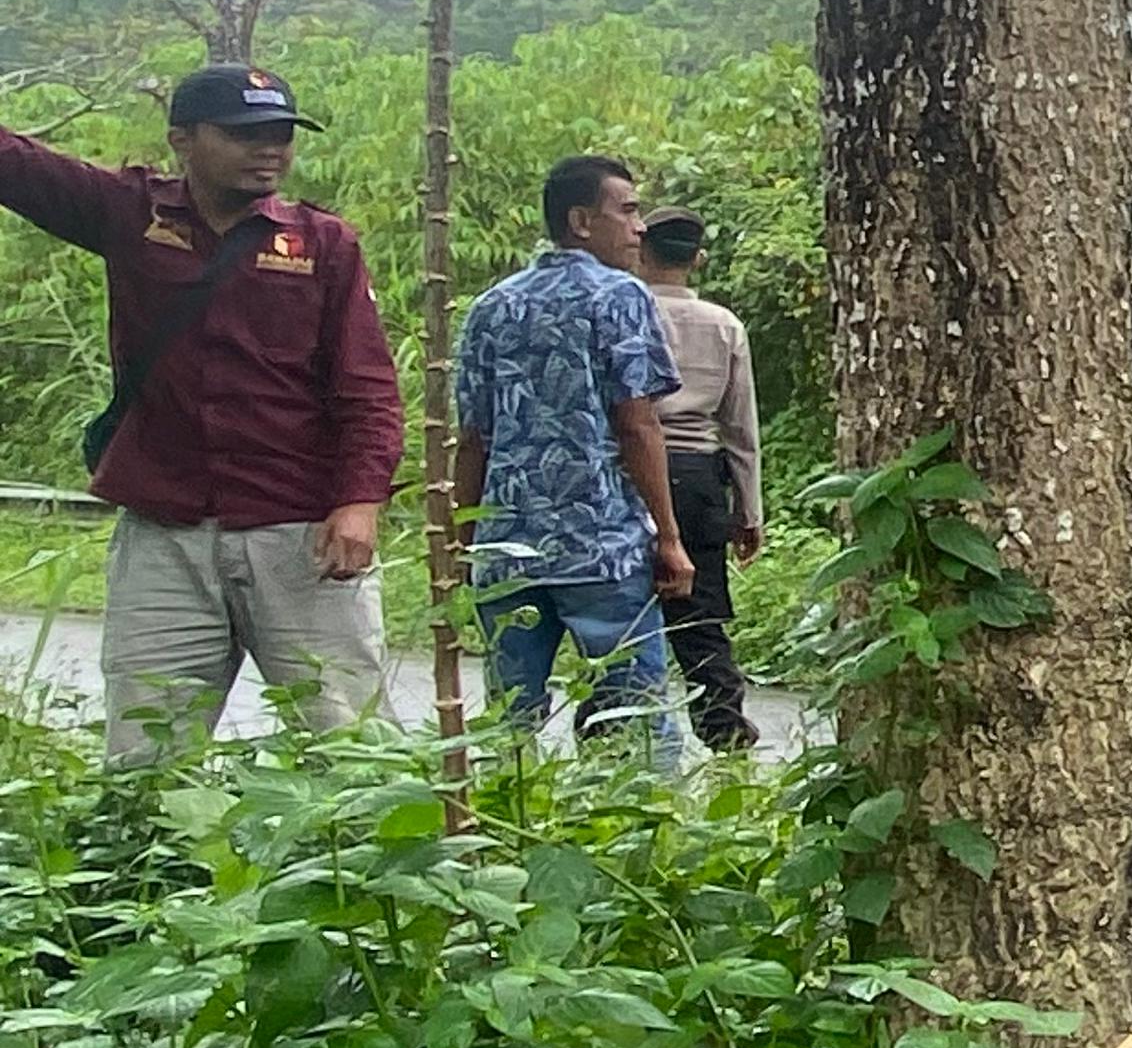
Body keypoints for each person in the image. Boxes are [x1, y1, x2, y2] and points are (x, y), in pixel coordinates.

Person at [0, 65, 399, 757]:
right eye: (245, 134)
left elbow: (367, 387)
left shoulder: (324, 243)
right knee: (144, 755)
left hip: (298, 531)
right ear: (182, 140)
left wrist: (359, 501)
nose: (269, 150)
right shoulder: (131, 214)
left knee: (353, 745)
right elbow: (20, 166)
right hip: (165, 533)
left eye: (280, 135)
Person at [453, 154, 691, 769]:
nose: (640, 227)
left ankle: (506, 813)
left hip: (506, 551)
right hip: (601, 548)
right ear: (582, 221)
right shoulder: (619, 297)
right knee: (633, 718)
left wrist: (462, 543)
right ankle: (640, 818)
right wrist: (669, 537)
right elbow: (637, 423)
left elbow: (473, 438)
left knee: (509, 722)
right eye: (628, 211)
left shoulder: (491, 306)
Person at [629, 210, 762, 753]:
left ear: (642, 252)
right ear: (698, 259)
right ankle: (724, 731)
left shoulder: (625, 312)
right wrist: (749, 512)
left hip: (630, 471)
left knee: (623, 608)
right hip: (698, 476)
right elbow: (740, 429)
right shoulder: (724, 325)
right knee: (700, 613)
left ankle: (618, 734)